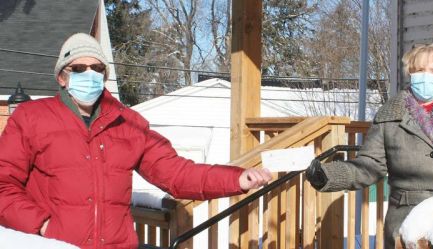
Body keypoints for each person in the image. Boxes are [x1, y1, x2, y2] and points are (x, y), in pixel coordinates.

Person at [0, 33, 272, 249]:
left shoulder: (128, 123)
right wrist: (42, 225)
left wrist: (236, 179)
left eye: (96, 68)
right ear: (62, 76)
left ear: (104, 76)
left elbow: (177, 173)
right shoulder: (31, 117)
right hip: (55, 245)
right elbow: (3, 184)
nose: (89, 73)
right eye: (78, 68)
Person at [305, 43, 433, 249]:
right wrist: (329, 175)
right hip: (408, 222)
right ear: (410, 73)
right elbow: (369, 165)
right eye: (419, 70)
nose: (426, 76)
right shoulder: (390, 114)